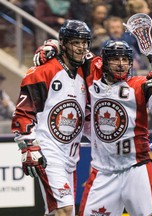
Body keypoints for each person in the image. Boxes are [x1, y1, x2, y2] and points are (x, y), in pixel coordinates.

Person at [32, 40, 152, 215]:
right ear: (104, 62)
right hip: (103, 172)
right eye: (115, 59)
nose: (121, 64)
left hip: (136, 169)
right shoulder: (93, 72)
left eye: (125, 59)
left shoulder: (139, 84)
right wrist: (51, 46)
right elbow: (73, 44)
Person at [11, 20, 92, 216]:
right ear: (63, 44)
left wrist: (51, 44)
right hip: (48, 149)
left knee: (57, 211)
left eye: (85, 42)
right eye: (75, 43)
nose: (81, 48)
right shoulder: (43, 72)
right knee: (65, 210)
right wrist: (28, 145)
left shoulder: (86, 70)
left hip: (71, 155)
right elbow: (23, 112)